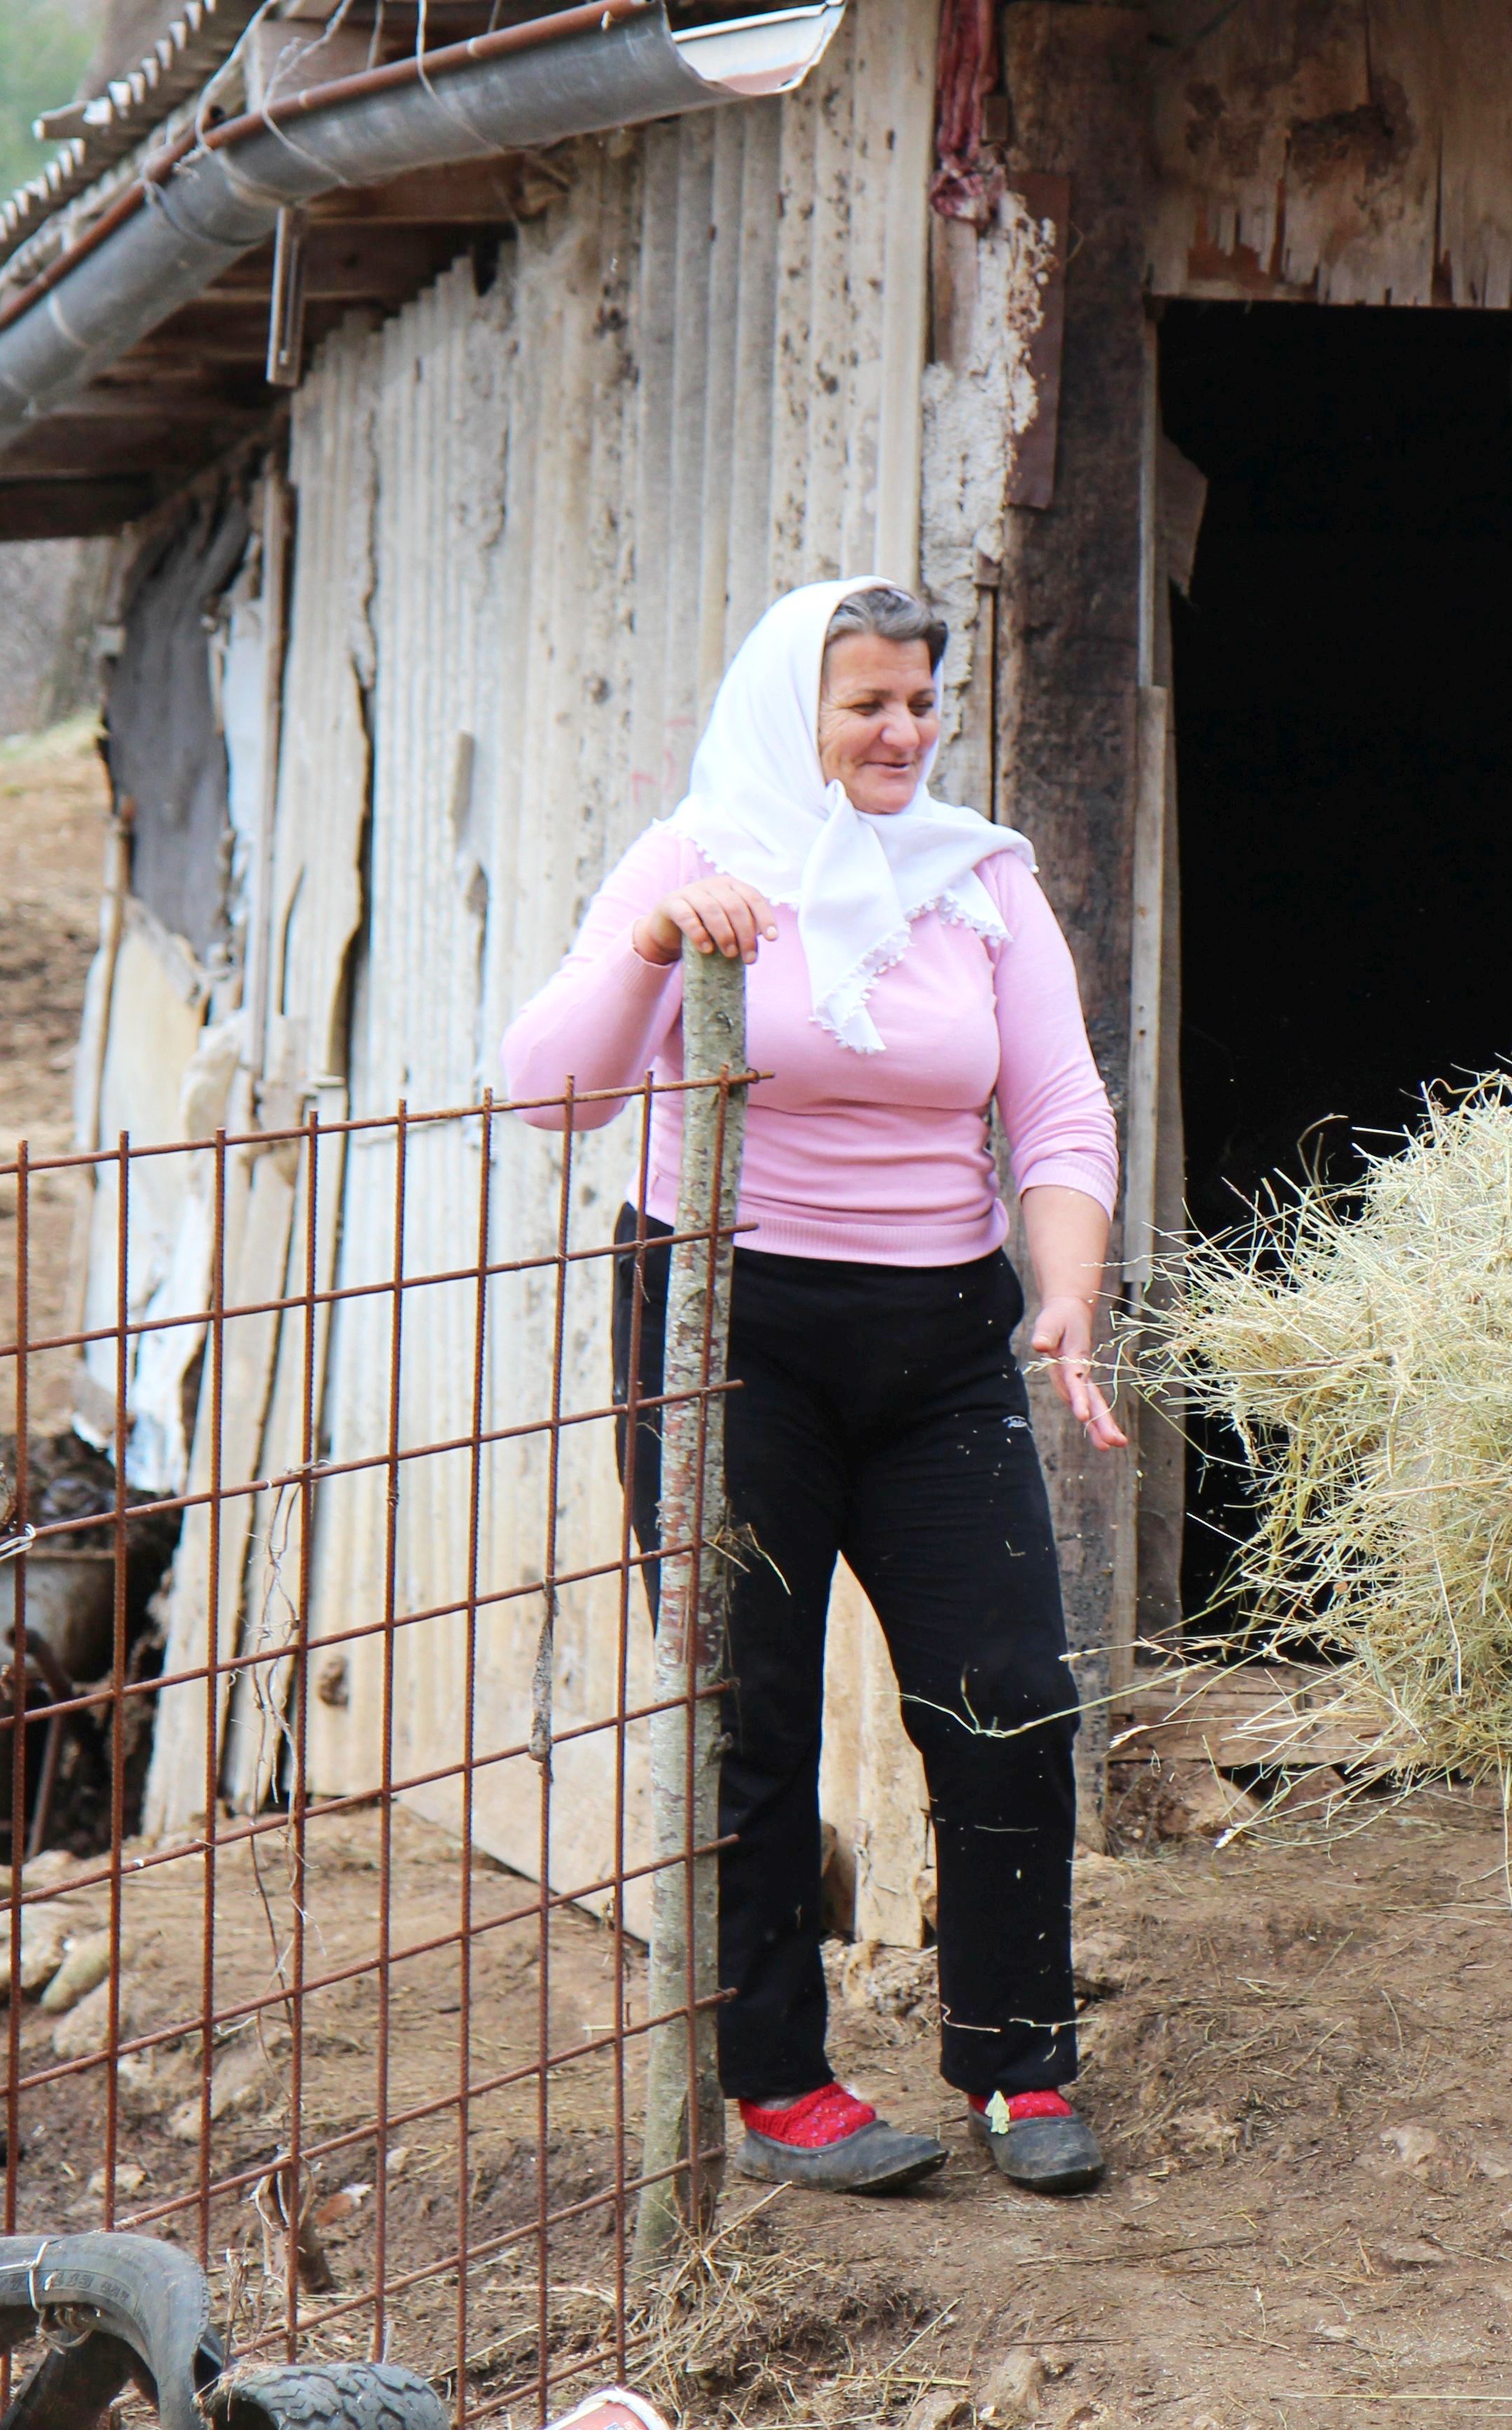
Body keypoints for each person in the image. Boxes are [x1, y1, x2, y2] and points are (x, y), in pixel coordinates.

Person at [501, 578, 1128, 2198]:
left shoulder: (981, 882)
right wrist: (652, 947)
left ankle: (1018, 2061)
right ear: (799, 710)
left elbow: (1057, 1114)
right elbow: (547, 1092)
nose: (905, 735)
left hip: (938, 1348)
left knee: (1006, 1693)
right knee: (749, 1707)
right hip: (725, 1330)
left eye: (924, 701)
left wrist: (1062, 1297)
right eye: (868, 704)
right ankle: (775, 2075)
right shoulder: (694, 860)